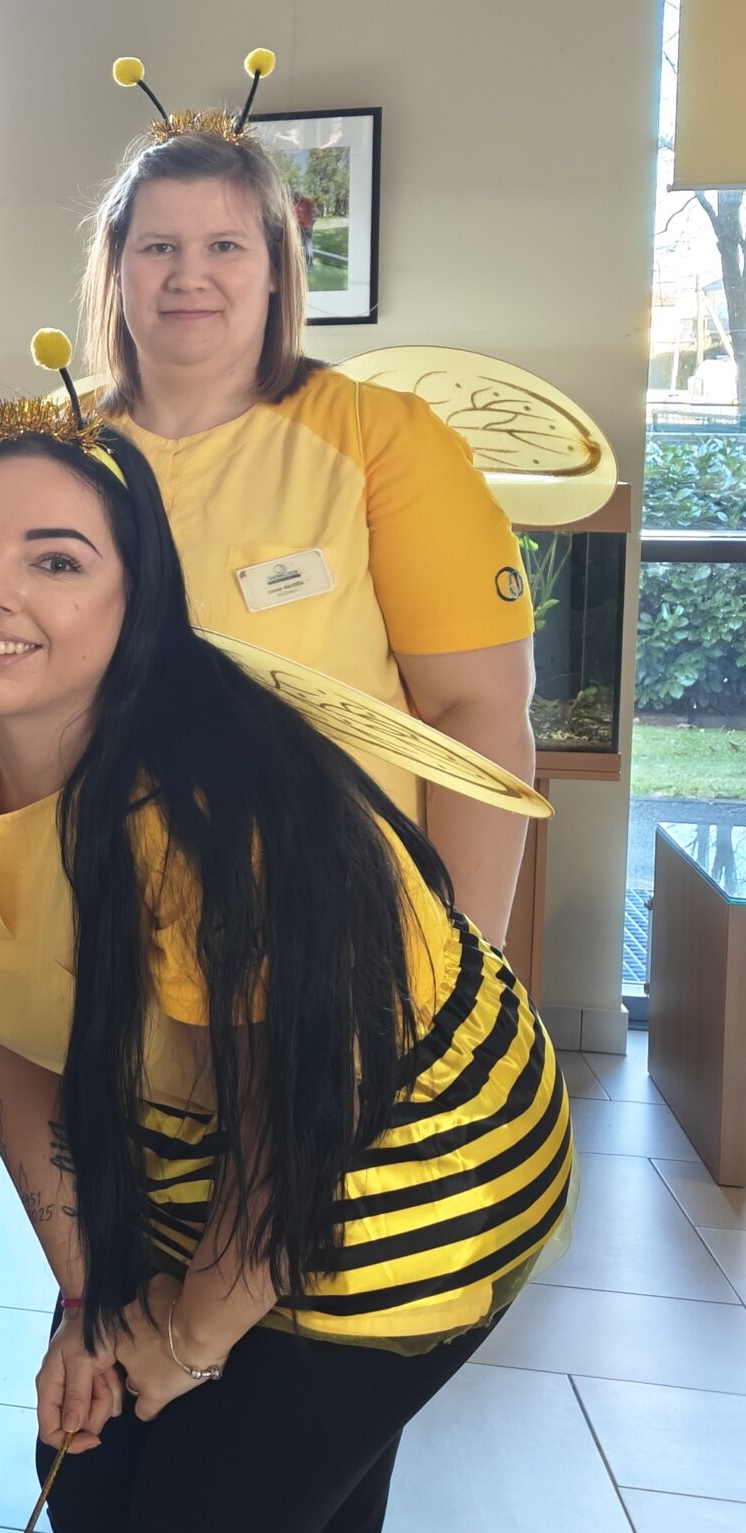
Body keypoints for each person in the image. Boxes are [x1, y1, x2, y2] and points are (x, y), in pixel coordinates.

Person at [0, 409, 573, 1533]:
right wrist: (94, 1296)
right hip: (182, 1126)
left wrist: (190, 1335)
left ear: (142, 595)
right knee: (86, 1480)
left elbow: (296, 1124)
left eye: (56, 558)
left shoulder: (219, 814)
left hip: (401, 1152)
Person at [80, 74, 535, 934]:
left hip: (331, 931)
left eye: (224, 246)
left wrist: (468, 960)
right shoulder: (58, 451)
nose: (188, 276)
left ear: (275, 269)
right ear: (118, 266)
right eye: (158, 247)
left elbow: (475, 712)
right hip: (93, 922)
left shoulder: (380, 436)